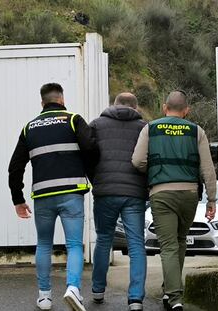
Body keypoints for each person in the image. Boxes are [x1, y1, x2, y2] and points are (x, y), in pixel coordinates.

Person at [8, 83, 98, 311]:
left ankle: (45, 297)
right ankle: (73, 289)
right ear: (61, 99)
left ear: (42, 103)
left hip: (43, 196)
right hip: (71, 193)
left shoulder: (30, 127)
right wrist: (90, 175)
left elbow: (15, 166)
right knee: (75, 244)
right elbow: (91, 149)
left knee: (44, 244)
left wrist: (18, 199)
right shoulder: (73, 119)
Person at [132, 91, 217, 311]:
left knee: (168, 246)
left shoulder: (150, 128)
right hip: (189, 194)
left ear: (164, 107)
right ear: (186, 110)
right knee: (179, 242)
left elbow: (138, 161)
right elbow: (207, 169)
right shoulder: (196, 131)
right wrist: (212, 199)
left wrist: (155, 171)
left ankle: (175, 296)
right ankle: (170, 290)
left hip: (162, 194)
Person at [90, 93, 148, 311]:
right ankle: (135, 299)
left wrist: (95, 179)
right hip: (134, 193)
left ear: (113, 105)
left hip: (105, 191)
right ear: (136, 106)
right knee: (136, 244)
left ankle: (97, 290)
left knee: (104, 239)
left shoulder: (96, 125)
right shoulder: (144, 127)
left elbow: (88, 154)